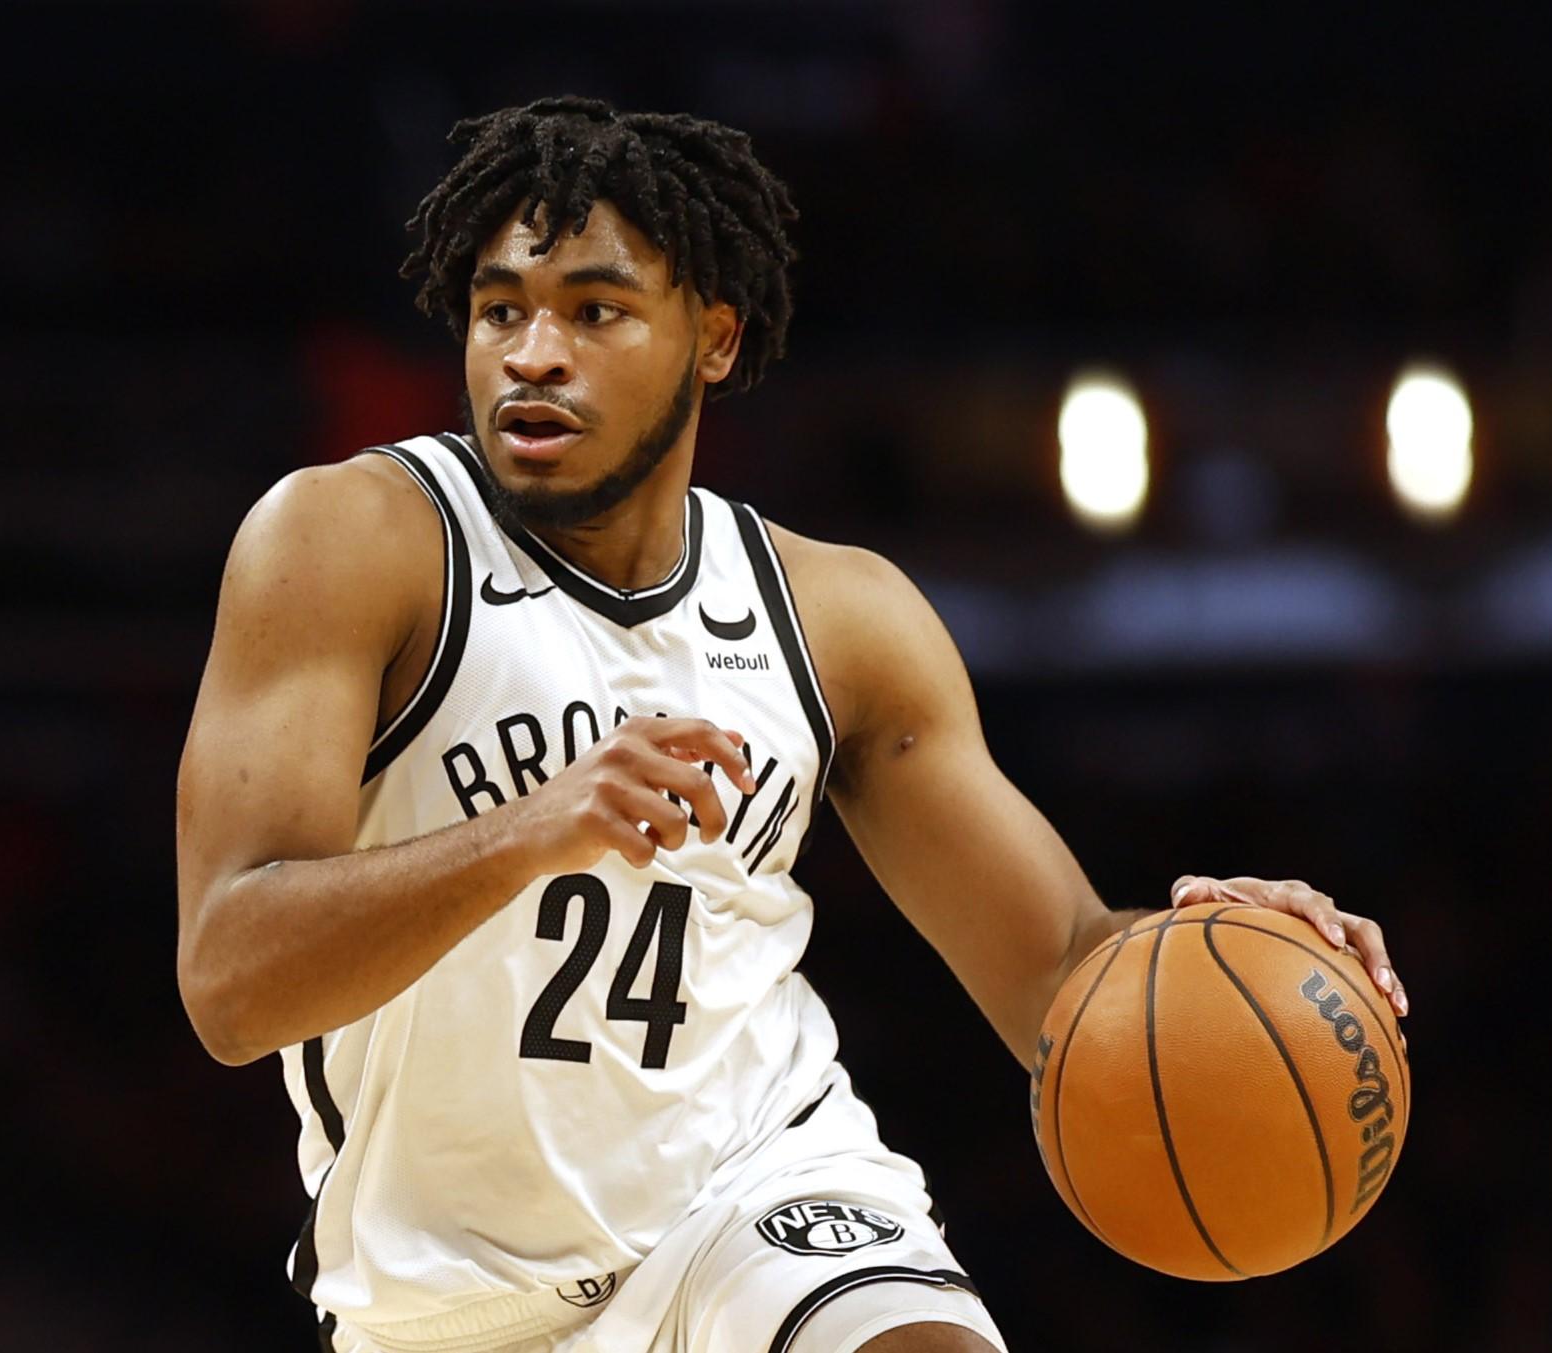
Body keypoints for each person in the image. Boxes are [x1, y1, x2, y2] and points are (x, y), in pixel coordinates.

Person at [174, 96, 1408, 1353]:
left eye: (595, 310)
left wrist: (1208, 946)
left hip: (750, 1198)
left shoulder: (839, 620)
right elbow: (228, 979)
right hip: (448, 1306)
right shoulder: (352, 543)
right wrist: (529, 833)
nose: (532, 354)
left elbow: (1056, 969)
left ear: (712, 338)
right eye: (501, 310)